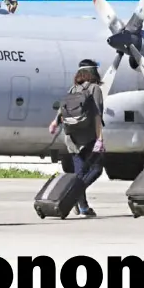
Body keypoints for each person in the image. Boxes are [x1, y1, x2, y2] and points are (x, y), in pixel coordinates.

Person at [49, 59, 105, 217]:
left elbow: (62, 109)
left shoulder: (73, 88)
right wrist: (100, 139)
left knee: (80, 173)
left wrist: (54, 122)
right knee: (96, 169)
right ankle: (72, 195)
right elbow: (97, 115)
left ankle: (84, 208)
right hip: (88, 138)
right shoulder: (95, 89)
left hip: (71, 138)